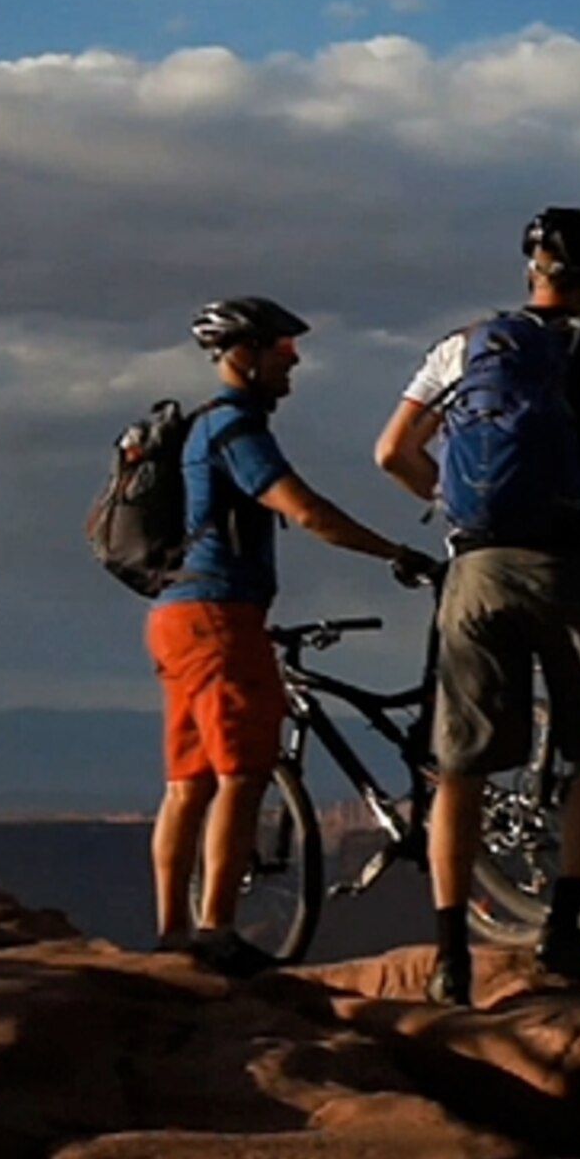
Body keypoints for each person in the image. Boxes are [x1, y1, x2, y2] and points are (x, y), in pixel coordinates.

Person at [375, 206, 580, 1006]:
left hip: (477, 574)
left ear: (533, 270)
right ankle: (563, 929)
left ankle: (452, 955)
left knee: (459, 764)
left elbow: (392, 452)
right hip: (573, 571)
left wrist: (451, 509)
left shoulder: (459, 347)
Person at [152, 296, 438, 976]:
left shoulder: (202, 428)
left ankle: (172, 932)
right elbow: (305, 511)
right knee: (243, 772)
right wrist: (395, 552)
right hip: (221, 616)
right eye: (282, 350)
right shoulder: (234, 429)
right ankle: (215, 930)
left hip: (176, 617)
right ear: (243, 355)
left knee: (188, 781)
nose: (295, 361)